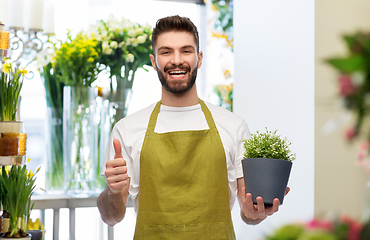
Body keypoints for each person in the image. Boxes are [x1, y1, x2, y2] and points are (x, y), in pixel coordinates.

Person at [97, 15, 289, 239]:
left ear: (199, 58)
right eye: (166, 52)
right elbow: (111, 217)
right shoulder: (127, 130)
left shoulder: (233, 127)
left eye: (186, 51)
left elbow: (248, 212)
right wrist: (113, 191)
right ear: (153, 60)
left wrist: (256, 212)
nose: (176, 60)